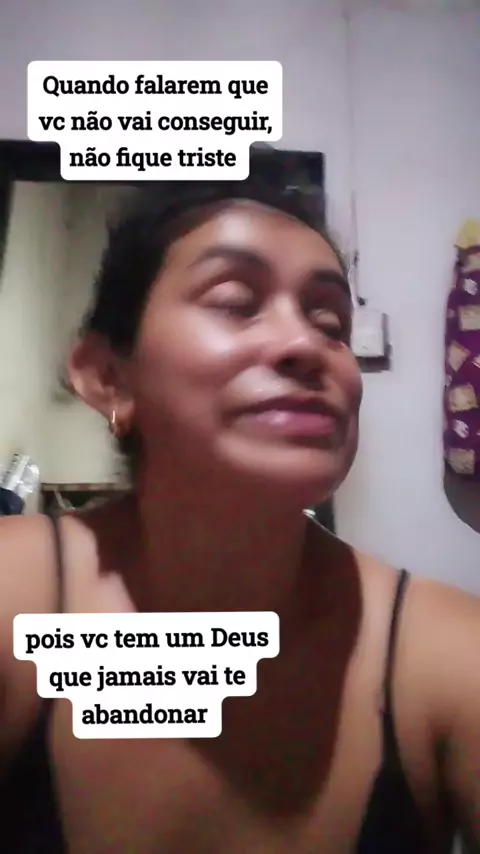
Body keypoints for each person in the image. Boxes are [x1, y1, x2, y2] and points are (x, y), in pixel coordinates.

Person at [0, 175, 479, 854]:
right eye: (234, 302)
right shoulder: (13, 592)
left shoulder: (450, 653)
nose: (305, 345)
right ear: (109, 377)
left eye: (331, 323)